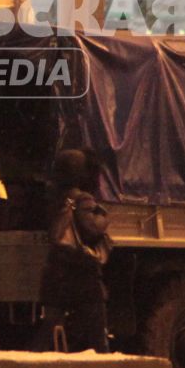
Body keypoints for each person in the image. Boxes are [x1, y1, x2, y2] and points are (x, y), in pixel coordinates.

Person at [35, 148, 112, 353]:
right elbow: (93, 227)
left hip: (55, 278)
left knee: (49, 330)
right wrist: (104, 215)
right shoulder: (82, 199)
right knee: (97, 333)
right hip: (82, 277)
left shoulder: (53, 199)